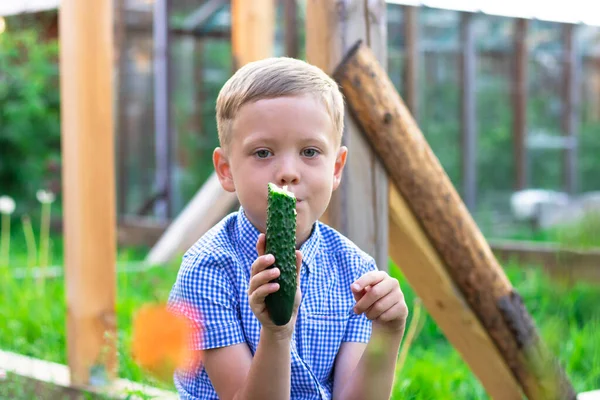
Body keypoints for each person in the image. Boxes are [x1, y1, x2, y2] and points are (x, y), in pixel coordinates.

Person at [168, 56, 408, 400]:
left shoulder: (354, 270)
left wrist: (388, 331)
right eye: (263, 153)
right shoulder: (208, 270)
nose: (288, 172)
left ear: (336, 168)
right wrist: (276, 333)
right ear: (226, 170)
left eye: (310, 151)